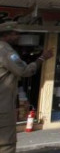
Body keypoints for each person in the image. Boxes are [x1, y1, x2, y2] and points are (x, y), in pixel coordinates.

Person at [0, 21, 53, 153]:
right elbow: (24, 71)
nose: (18, 36)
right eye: (15, 33)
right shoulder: (6, 51)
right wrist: (41, 58)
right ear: (7, 35)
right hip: (2, 105)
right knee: (6, 143)